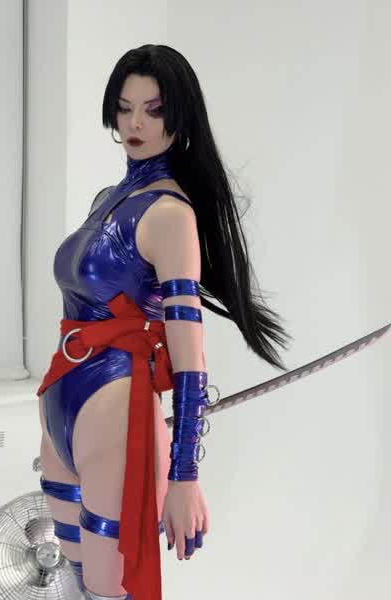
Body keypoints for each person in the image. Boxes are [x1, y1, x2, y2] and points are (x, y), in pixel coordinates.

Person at [37, 44, 293, 600]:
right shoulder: (108, 199)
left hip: (114, 415)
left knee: (107, 590)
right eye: (124, 108)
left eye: (153, 111)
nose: (135, 124)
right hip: (64, 410)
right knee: (70, 587)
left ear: (180, 117)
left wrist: (184, 477)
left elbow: (190, 358)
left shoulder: (171, 215)